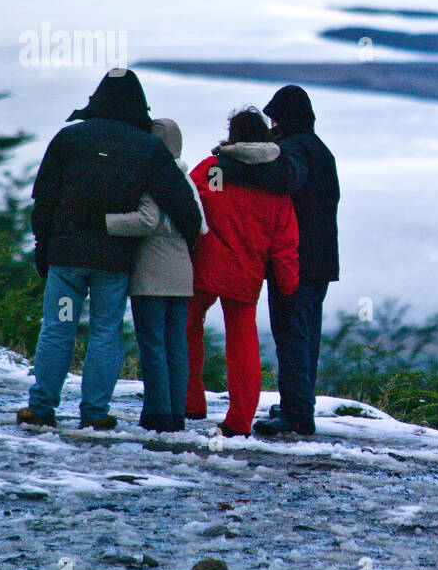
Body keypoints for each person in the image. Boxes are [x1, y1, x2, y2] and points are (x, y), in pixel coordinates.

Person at [18, 69, 203, 430]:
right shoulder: (147, 147)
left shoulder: (69, 139)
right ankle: (95, 412)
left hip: (67, 257)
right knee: (106, 331)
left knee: (58, 327)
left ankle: (41, 409)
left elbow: (44, 199)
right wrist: (191, 240)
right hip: (113, 260)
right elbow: (184, 207)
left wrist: (43, 245)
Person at [210, 85, 339, 437]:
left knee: (291, 335)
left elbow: (286, 178)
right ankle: (299, 402)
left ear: (282, 119)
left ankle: (297, 416)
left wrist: (231, 169)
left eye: (274, 118)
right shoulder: (321, 150)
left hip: (296, 262)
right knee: (306, 335)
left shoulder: (295, 150)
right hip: (321, 262)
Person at [185, 108, 300, 437]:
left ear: (231, 134)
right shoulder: (275, 182)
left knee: (187, 327)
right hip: (245, 273)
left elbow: (193, 204)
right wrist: (289, 284)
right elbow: (285, 241)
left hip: (205, 267)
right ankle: (239, 421)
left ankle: (191, 401)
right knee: (243, 344)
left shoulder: (214, 170)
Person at [105, 118, 207, 433]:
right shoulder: (186, 179)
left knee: (152, 344)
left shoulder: (153, 176)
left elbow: (147, 221)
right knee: (176, 344)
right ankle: (176, 412)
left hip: (152, 271)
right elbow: (200, 225)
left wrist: (105, 222)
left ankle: (157, 413)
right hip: (181, 273)